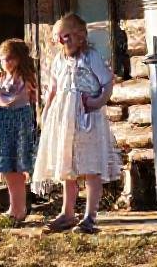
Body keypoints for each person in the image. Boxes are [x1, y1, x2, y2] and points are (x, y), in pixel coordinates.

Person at [32, 13, 121, 234]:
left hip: (86, 116)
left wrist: (98, 101)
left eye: (68, 36)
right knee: (67, 166)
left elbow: (107, 81)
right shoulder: (58, 60)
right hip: (63, 118)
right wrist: (45, 112)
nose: (64, 41)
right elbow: (52, 88)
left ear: (81, 37)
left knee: (90, 166)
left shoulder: (90, 57)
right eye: (59, 37)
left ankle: (90, 216)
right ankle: (67, 213)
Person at [0, 38, 39, 223]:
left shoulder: (25, 78)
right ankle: (14, 206)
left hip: (19, 122)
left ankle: (20, 208)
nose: (7, 62)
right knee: (7, 167)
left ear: (19, 58)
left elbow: (19, 99)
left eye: (10, 58)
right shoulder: (1, 79)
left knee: (18, 166)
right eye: (3, 59)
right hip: (3, 122)